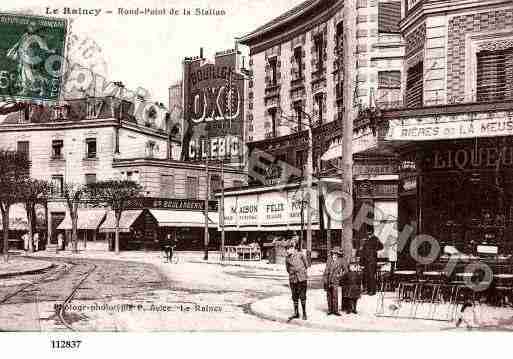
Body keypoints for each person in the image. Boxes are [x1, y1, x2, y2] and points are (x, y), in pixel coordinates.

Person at [285, 242, 309, 321]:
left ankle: (304, 313)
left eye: (288, 249)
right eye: (286, 250)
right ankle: (296, 313)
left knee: (302, 296)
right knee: (294, 297)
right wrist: (292, 273)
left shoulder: (300, 254)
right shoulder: (287, 258)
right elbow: (288, 269)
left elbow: (306, 265)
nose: (287, 251)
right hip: (293, 279)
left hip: (301, 278)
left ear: (292, 248)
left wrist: (301, 272)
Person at [322, 247, 346, 316]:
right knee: (329, 295)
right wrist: (325, 279)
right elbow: (326, 270)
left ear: (338, 254)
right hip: (328, 279)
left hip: (335, 280)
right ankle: (330, 310)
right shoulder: (329, 260)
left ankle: (335, 310)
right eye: (333, 253)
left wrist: (340, 275)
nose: (334, 255)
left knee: (335, 295)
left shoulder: (341, 261)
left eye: (336, 253)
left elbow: (346, 270)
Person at [360, 229, 384, 296]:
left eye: (369, 234)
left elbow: (381, 247)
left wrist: (374, 250)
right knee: (368, 276)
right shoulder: (367, 241)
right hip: (368, 261)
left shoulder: (374, 240)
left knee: (371, 276)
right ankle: (368, 290)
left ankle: (372, 291)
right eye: (368, 234)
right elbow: (363, 253)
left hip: (371, 261)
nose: (369, 235)